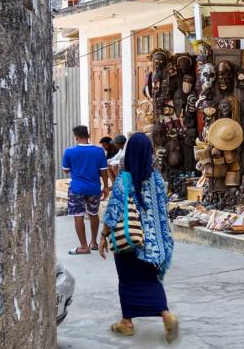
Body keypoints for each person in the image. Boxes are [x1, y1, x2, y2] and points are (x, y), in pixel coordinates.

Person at [99, 133, 178, 342]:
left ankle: (128, 322)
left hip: (131, 242)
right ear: (150, 153)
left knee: (127, 280)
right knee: (150, 280)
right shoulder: (158, 180)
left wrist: (103, 236)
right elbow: (163, 209)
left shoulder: (124, 179)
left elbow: (114, 210)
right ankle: (164, 315)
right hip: (157, 244)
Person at [61, 126, 108, 255]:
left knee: (78, 216)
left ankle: (83, 246)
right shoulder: (99, 151)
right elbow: (104, 171)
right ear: (88, 135)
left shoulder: (69, 151)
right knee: (93, 215)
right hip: (94, 188)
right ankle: (93, 242)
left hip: (77, 188)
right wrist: (106, 187)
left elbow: (65, 170)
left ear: (76, 137)